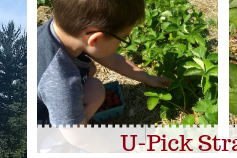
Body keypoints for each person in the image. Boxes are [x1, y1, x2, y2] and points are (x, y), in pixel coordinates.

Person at [37, 0, 173, 126]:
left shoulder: (66, 29)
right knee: (95, 91)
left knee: (90, 69)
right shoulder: (60, 80)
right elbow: (79, 137)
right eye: (123, 38)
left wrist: (148, 78)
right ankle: (55, 140)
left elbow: (113, 60)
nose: (122, 43)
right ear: (95, 39)